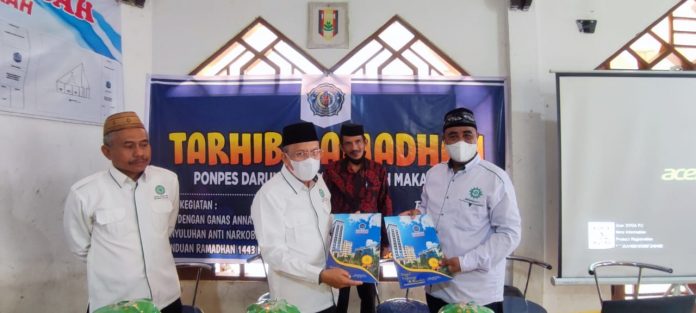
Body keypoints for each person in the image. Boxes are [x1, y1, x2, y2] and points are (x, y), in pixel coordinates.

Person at [402, 108, 521, 313]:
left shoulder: (495, 178)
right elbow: (425, 210)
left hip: (477, 293)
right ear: (444, 140)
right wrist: (416, 215)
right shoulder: (434, 174)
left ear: (476, 137)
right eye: (453, 135)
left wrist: (464, 263)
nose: (460, 141)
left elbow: (509, 234)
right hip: (435, 285)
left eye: (467, 134)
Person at [63, 111, 182, 313]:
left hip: (166, 299)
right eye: (129, 146)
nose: (139, 153)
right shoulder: (85, 193)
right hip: (115, 304)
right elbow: (81, 248)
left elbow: (166, 229)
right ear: (106, 152)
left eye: (144, 144)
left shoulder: (168, 181)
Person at [251, 121, 362, 313]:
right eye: (301, 154)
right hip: (297, 304)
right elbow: (274, 254)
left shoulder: (319, 184)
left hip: (330, 296)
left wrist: (347, 224)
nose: (310, 159)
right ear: (285, 158)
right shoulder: (269, 195)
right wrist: (320, 275)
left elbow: (325, 225)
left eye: (315, 152)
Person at [323, 122, 393, 313]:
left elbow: (384, 203)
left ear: (365, 142)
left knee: (368, 297)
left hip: (369, 242)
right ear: (341, 146)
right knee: (340, 296)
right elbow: (322, 207)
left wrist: (386, 241)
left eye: (358, 142)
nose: (354, 148)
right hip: (340, 240)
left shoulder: (377, 170)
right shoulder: (331, 171)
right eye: (348, 143)